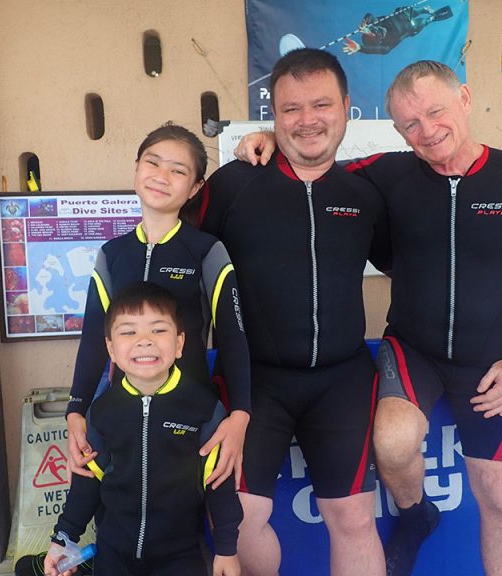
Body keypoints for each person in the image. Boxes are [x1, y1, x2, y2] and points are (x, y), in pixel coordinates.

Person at [234, 60, 502, 576]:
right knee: (391, 442)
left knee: (500, 496)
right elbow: (314, 160)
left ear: (464, 98)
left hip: (491, 360)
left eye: (436, 112)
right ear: (397, 129)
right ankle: (415, 517)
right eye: (410, 123)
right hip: (413, 350)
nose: (427, 131)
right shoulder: (388, 175)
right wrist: (269, 140)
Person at [198, 48, 391, 576]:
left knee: (354, 518)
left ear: (347, 108)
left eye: (321, 105)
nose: (307, 120)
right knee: (238, 519)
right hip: (252, 379)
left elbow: (413, 264)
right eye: (291, 109)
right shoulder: (234, 184)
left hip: (342, 380)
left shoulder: (365, 191)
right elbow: (183, 266)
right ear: (273, 115)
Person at [66, 123, 251, 492]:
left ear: (195, 187)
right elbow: (93, 338)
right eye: (153, 163)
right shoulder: (112, 254)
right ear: (136, 168)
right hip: (121, 410)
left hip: (192, 413)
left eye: (178, 170)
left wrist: (240, 415)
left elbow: (233, 338)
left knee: (187, 510)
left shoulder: (206, 251)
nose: (162, 176)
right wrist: (76, 410)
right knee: (114, 504)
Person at [43, 282, 243, 576]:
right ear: (111, 349)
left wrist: (227, 550)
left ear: (179, 344)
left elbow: (219, 484)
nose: (144, 341)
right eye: (128, 332)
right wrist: (63, 539)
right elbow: (86, 483)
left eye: (158, 330)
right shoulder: (101, 411)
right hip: (113, 554)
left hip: (180, 556)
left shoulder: (205, 408)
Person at [341, 5, 453, 56]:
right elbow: (383, 50)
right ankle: (431, 18)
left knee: (410, 10)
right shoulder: (387, 43)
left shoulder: (376, 23)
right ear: (378, 40)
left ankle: (425, 9)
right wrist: (360, 48)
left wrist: (366, 22)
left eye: (370, 33)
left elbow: (369, 15)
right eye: (372, 36)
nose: (372, 33)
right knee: (423, 22)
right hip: (411, 26)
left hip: (403, 13)